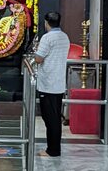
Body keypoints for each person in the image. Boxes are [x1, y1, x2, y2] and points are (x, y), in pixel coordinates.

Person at [35, 12, 70, 157]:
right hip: (58, 83)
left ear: (46, 22)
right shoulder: (64, 37)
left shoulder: (47, 38)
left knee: (50, 118)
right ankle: (54, 148)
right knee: (55, 117)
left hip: (48, 84)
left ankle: (53, 150)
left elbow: (38, 59)